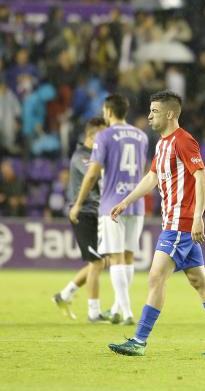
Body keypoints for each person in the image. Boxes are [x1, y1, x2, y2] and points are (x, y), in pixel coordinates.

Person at [107, 91, 205, 356]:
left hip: (182, 223)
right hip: (176, 222)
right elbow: (152, 178)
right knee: (198, 280)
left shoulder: (183, 141)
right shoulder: (163, 143)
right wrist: (126, 201)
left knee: (156, 277)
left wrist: (198, 217)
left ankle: (139, 341)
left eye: (154, 111)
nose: (149, 115)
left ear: (169, 114)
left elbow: (202, 178)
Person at [70, 94, 148, 325]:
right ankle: (116, 308)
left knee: (115, 257)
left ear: (108, 111)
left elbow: (93, 173)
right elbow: (141, 170)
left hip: (112, 203)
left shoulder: (104, 136)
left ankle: (127, 312)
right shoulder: (141, 136)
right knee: (129, 256)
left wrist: (78, 203)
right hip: (136, 202)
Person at [53, 117, 108, 322]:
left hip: (96, 212)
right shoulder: (81, 156)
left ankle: (64, 294)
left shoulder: (95, 154)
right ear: (92, 136)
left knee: (100, 262)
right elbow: (95, 174)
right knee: (97, 262)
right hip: (83, 212)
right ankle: (94, 312)